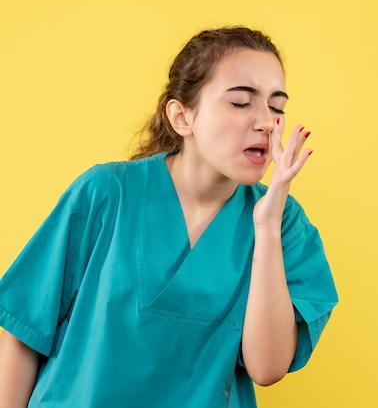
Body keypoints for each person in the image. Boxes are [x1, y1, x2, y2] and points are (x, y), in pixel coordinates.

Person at [0, 27, 338, 407]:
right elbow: (24, 331)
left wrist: (267, 228)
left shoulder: (283, 224)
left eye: (276, 107)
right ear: (181, 117)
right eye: (242, 103)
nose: (265, 121)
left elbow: (267, 368)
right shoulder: (106, 193)